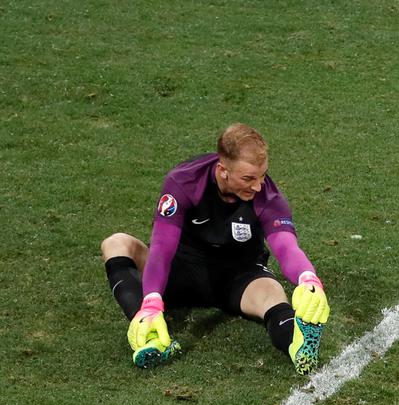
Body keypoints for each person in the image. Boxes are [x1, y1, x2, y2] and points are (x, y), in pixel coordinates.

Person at [100, 123, 330, 373]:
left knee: (273, 294)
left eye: (262, 175)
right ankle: (150, 334)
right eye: (248, 178)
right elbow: (162, 247)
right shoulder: (184, 182)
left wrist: (307, 277)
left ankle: (297, 345)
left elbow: (285, 247)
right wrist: (152, 301)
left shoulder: (269, 198)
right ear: (223, 171)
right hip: (180, 271)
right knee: (116, 243)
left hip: (238, 276)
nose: (258, 186)